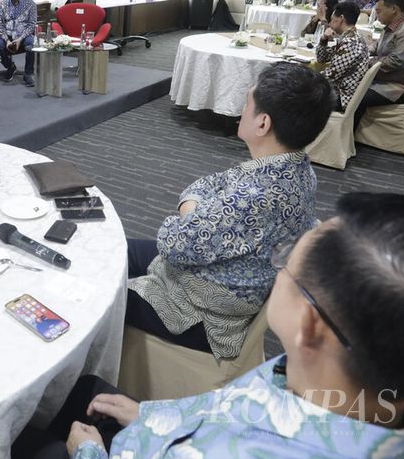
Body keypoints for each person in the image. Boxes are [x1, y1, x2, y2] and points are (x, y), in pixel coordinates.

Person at [8, 192, 404, 459]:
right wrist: (151, 413)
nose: (277, 274)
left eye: (284, 267)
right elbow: (235, 408)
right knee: (80, 391)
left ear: (310, 322)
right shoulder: (381, 392)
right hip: (167, 444)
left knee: (19, 448)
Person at [124, 63, 334, 360]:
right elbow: (215, 181)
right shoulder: (297, 169)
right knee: (120, 250)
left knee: (102, 293)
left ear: (263, 123)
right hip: (224, 278)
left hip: (203, 314)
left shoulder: (252, 197)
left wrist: (192, 210)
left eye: (247, 103)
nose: (240, 108)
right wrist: (199, 212)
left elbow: (171, 241)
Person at [356, 0, 404, 127]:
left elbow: (396, 62)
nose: (377, 16)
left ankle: (347, 137)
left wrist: (365, 63)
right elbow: (376, 47)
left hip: (399, 87)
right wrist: (358, 52)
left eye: (379, 11)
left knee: (355, 96)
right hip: (383, 80)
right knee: (346, 87)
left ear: (393, 9)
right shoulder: (391, 26)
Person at [316, 2, 371, 110]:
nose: (330, 23)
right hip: (341, 92)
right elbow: (322, 59)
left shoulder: (351, 43)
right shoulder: (351, 37)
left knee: (296, 94)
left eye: (332, 19)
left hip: (342, 97)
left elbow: (329, 76)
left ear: (341, 18)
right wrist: (324, 39)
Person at [0, 0, 38, 86]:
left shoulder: (30, 4)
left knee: (30, 43)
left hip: (22, 35)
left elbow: (32, 25)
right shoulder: (2, 4)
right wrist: (7, 40)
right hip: (6, 35)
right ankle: (10, 66)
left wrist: (20, 38)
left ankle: (28, 73)